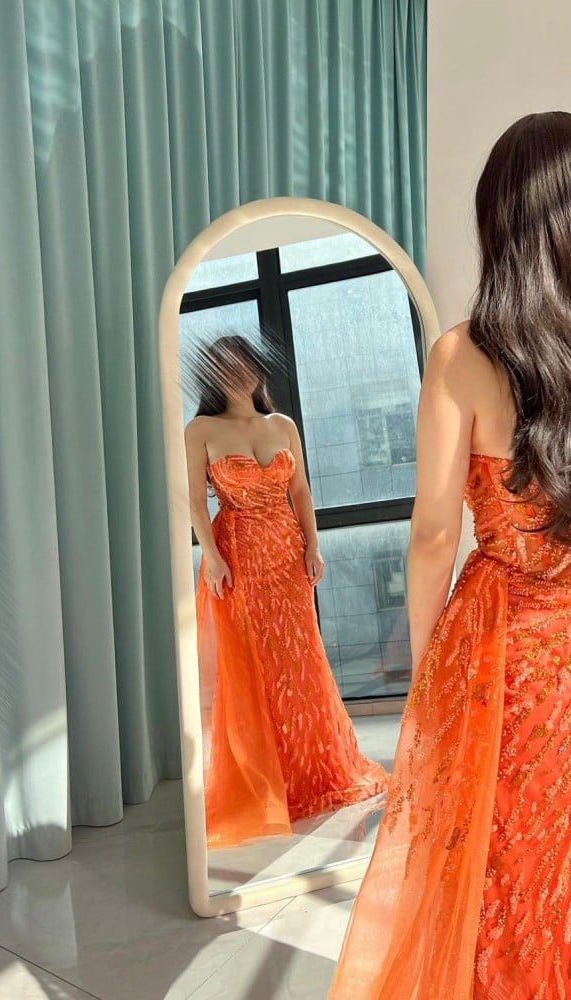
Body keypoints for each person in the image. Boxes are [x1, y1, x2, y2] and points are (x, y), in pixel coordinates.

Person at [328, 112, 571, 999]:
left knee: (499, 861)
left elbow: (433, 536)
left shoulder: (464, 355)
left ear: (501, 221)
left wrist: (429, 666)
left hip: (504, 652)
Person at [184, 336, 388, 847]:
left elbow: (300, 490)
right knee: (256, 667)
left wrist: (313, 546)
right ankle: (269, 779)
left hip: (286, 554)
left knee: (301, 659)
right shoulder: (201, 430)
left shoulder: (283, 425)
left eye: (245, 364)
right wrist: (211, 556)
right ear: (213, 376)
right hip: (240, 557)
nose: (238, 374)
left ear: (257, 370)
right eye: (226, 367)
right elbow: (193, 501)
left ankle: (317, 770)